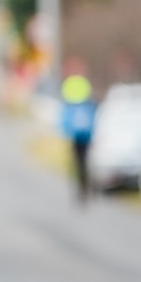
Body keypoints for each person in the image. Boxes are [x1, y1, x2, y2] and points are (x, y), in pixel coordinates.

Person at [60, 72, 97, 204]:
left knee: (80, 164)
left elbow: (66, 119)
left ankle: (84, 188)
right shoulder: (87, 104)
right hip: (81, 137)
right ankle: (83, 188)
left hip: (82, 137)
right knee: (81, 164)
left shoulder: (76, 104)